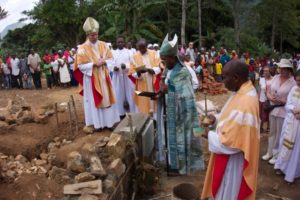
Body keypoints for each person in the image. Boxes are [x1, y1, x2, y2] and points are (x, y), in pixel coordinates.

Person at [201, 59, 260, 200]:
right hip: (228, 157)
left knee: (227, 192)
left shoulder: (247, 102)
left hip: (232, 161)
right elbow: (231, 116)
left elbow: (230, 144)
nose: (222, 81)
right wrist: (216, 118)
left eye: (224, 77)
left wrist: (208, 135)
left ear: (236, 78)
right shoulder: (242, 91)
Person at [158, 34, 203, 175]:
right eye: (163, 60)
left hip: (181, 115)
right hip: (169, 111)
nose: (164, 63)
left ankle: (182, 166)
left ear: (173, 58)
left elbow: (187, 96)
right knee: (168, 138)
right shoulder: (167, 70)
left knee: (181, 138)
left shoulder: (183, 72)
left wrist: (169, 89)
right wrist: (160, 92)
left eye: (165, 60)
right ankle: (172, 163)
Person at [74, 17, 120, 133]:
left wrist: (104, 62)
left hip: (104, 76)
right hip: (91, 79)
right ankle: (96, 124)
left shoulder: (104, 45)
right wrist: (94, 64)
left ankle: (109, 122)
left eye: (95, 35)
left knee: (107, 97)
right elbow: (80, 65)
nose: (93, 37)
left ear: (98, 33)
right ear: (87, 35)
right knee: (93, 99)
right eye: (91, 35)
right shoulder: (82, 49)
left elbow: (112, 60)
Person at [262, 59, 296, 164]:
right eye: (280, 68)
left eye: (283, 68)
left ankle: (276, 154)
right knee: (272, 131)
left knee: (279, 133)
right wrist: (270, 97)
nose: (281, 70)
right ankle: (269, 152)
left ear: (288, 70)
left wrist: (283, 100)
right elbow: (267, 90)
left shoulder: (293, 82)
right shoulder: (276, 78)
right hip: (273, 108)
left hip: (283, 110)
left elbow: (293, 99)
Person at [274, 70, 300, 184]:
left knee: (296, 149)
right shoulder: (294, 89)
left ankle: (292, 173)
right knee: (284, 143)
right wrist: (294, 110)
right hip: (290, 120)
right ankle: (282, 167)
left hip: (298, 125)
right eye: (298, 80)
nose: (299, 83)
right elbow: (288, 103)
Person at [129, 38, 161, 114]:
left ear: (146, 46)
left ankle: (156, 120)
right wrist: (139, 73)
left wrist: (151, 70)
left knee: (154, 102)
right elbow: (132, 72)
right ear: (137, 48)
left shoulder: (154, 53)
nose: (142, 50)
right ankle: (145, 119)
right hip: (141, 83)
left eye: (143, 48)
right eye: (140, 48)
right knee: (143, 102)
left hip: (153, 81)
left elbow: (159, 66)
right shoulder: (134, 57)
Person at [112, 36, 138, 117]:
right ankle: (120, 113)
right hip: (117, 77)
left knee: (130, 93)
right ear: (116, 43)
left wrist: (126, 66)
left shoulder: (129, 52)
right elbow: (110, 63)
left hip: (127, 76)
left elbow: (133, 64)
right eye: (118, 42)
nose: (120, 43)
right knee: (118, 94)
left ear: (124, 43)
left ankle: (132, 112)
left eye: (122, 42)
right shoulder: (113, 53)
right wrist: (114, 68)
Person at [259, 66, 273, 132]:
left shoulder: (273, 79)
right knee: (261, 114)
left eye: (267, 71)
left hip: (270, 100)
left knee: (269, 114)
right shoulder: (261, 79)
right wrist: (258, 98)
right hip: (262, 99)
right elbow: (259, 90)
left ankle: (268, 128)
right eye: (264, 71)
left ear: (270, 71)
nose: (265, 72)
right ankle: (260, 128)